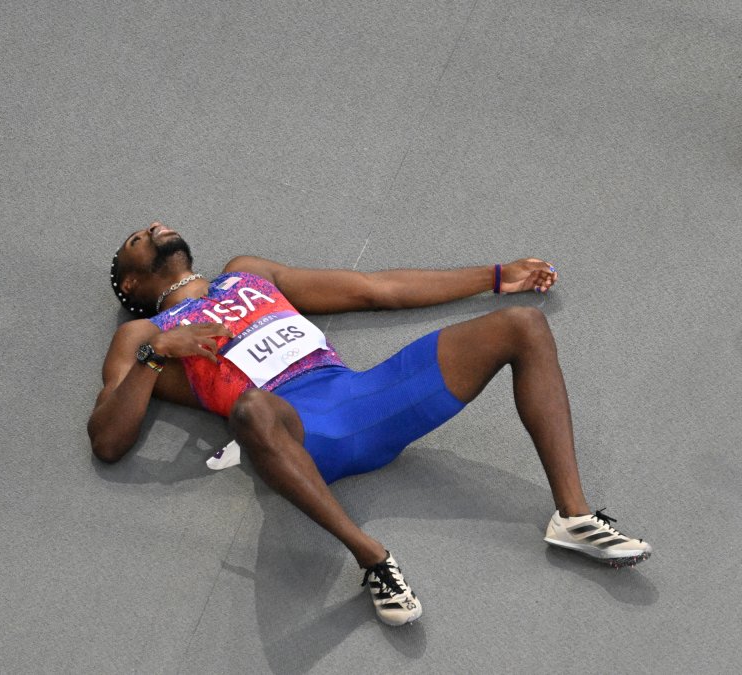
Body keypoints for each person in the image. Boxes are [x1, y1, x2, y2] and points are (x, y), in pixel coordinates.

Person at [87, 221, 652, 626]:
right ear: (130, 287)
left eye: (153, 225)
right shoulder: (140, 338)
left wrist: (497, 275)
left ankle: (573, 518)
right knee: (250, 408)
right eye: (136, 238)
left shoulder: (247, 274)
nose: (155, 227)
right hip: (299, 436)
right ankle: (373, 558)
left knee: (523, 326)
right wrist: (160, 351)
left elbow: (371, 289)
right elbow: (108, 439)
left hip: (362, 398)